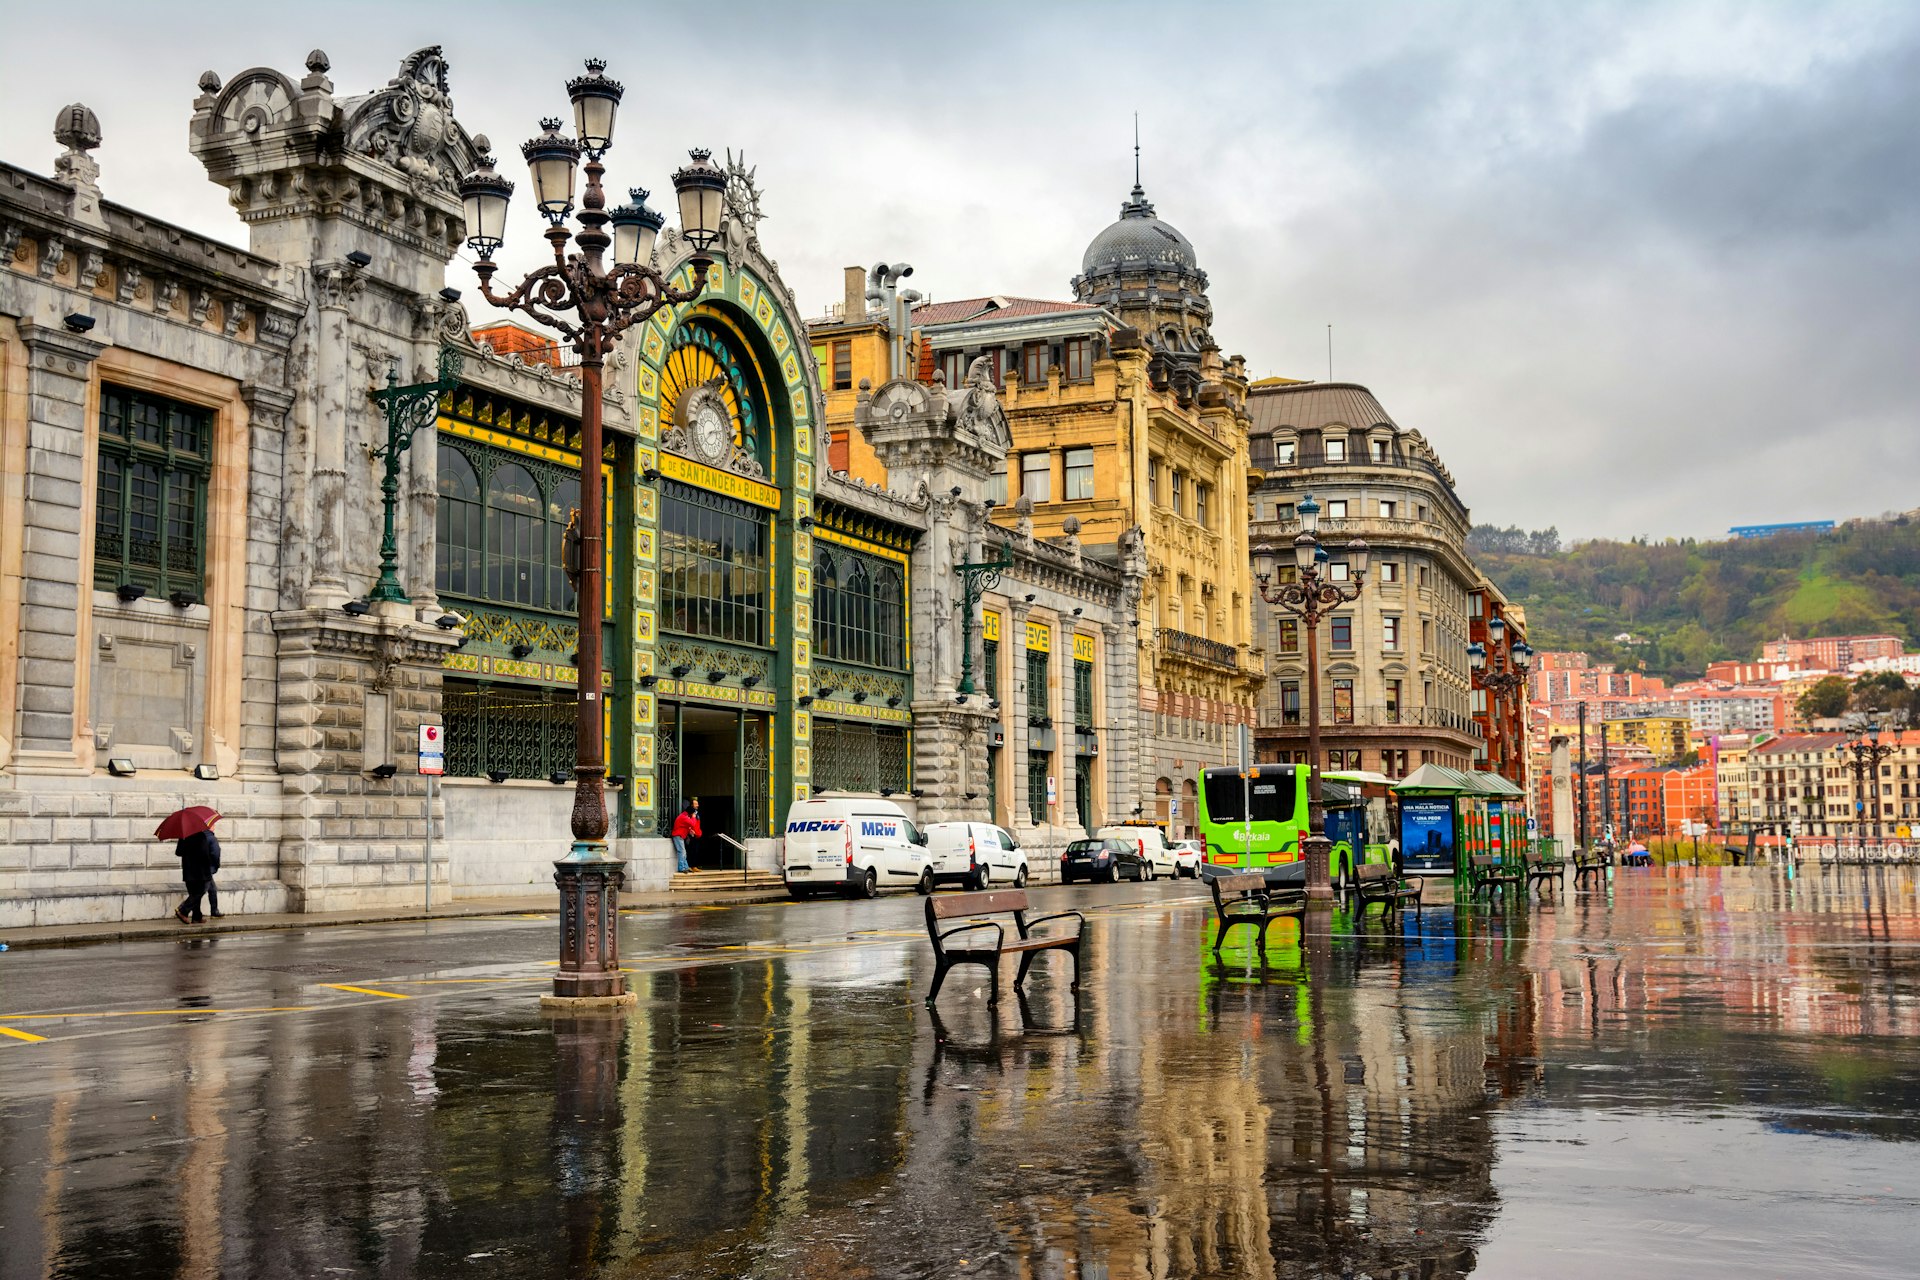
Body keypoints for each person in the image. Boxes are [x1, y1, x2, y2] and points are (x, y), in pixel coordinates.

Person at [173, 825, 222, 924]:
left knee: (193, 892)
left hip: (188, 870)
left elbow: (178, 852)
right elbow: (205, 854)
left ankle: (197, 917)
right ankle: (183, 910)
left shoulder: (183, 836)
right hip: (201, 871)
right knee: (199, 892)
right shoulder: (201, 836)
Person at [671, 798, 702, 873]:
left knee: (683, 851)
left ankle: (686, 866)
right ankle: (682, 867)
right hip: (678, 836)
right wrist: (694, 817)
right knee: (682, 851)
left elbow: (685, 826)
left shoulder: (684, 816)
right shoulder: (684, 817)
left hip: (680, 836)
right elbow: (692, 823)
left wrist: (689, 830)